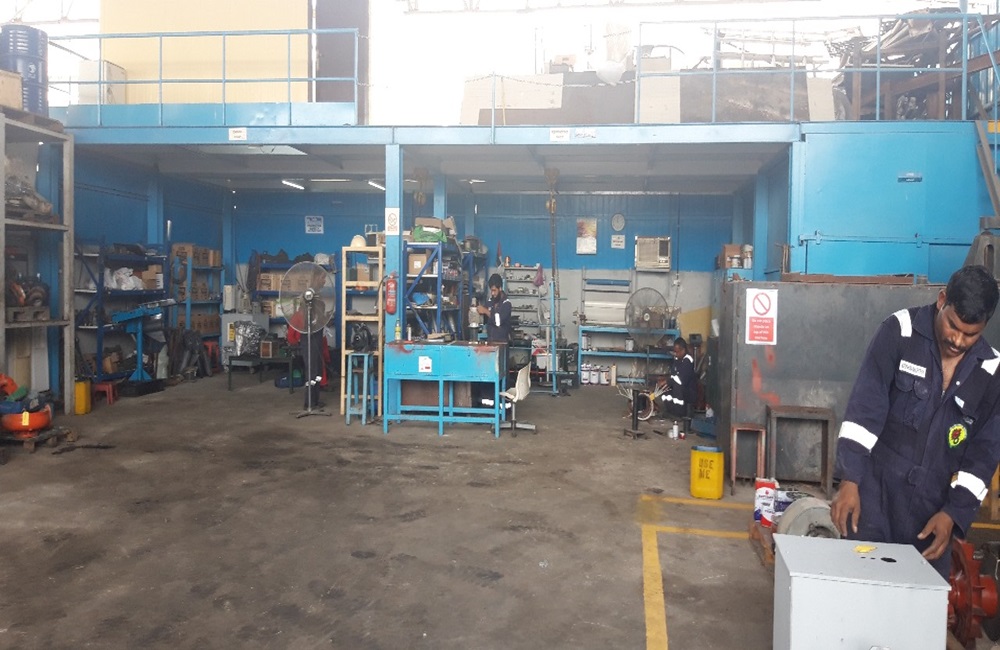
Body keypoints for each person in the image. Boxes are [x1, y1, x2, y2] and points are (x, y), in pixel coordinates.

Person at [831, 265, 1000, 578]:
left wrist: (954, 513)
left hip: (931, 514)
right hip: (874, 499)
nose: (958, 340)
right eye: (953, 326)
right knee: (859, 585)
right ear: (942, 300)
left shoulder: (991, 373)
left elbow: (984, 455)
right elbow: (865, 410)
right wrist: (849, 479)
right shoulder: (900, 333)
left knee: (919, 598)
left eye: (971, 334)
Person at [657, 337, 696, 419]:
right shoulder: (677, 359)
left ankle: (680, 413)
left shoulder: (687, 360)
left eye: (677, 352)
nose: (675, 354)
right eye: (674, 352)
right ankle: (670, 410)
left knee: (677, 387)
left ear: (683, 350)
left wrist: (667, 382)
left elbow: (680, 379)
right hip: (677, 387)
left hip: (687, 391)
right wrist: (664, 382)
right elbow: (673, 375)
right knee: (665, 389)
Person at [477, 273, 512, 343]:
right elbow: (484, 319)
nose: (492, 293)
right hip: (490, 341)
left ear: (500, 288)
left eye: (494, 290)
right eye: (491, 290)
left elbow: (498, 322)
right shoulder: (490, 301)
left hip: (502, 343)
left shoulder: (506, 304)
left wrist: (485, 311)